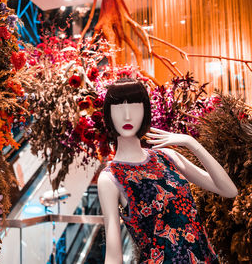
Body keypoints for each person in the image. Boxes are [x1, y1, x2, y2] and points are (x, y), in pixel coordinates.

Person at [97, 78, 238, 264]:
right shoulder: (111, 178)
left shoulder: (167, 156)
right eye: (118, 108)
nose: (127, 116)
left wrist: (191, 143)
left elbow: (229, 190)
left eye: (135, 106)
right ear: (109, 115)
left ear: (145, 111)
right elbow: (114, 255)